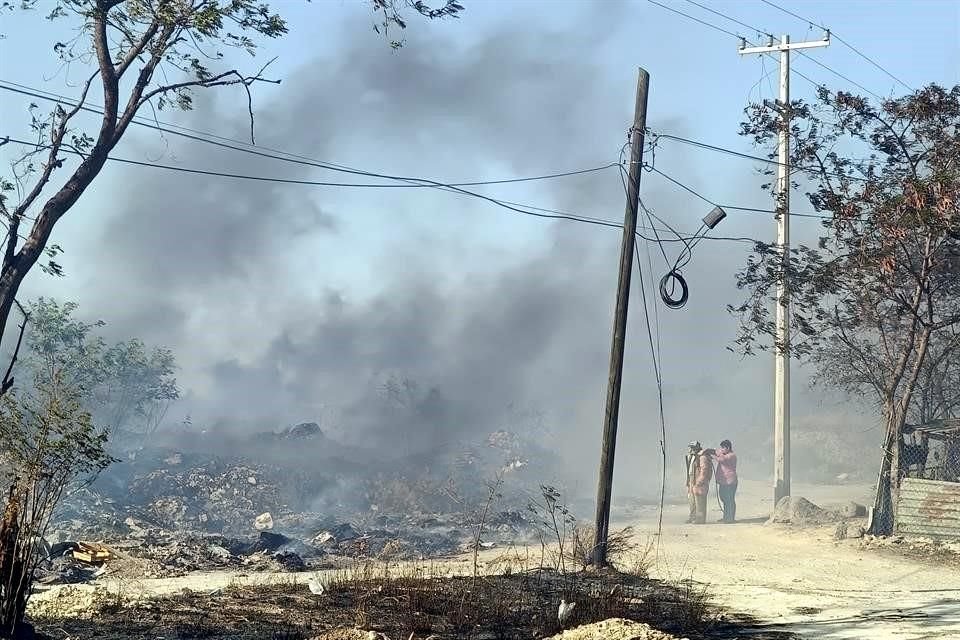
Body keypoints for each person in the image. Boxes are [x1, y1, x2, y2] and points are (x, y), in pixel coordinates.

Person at [714, 439, 738, 523]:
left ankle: (730, 518)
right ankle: (726, 517)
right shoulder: (724, 454)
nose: (722, 449)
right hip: (724, 482)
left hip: (730, 482)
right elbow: (720, 455)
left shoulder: (731, 455)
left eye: (723, 448)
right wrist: (716, 452)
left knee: (729, 500)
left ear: (728, 448)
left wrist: (714, 455)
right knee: (724, 499)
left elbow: (722, 460)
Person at [691, 444, 714, 524]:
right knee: (699, 502)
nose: (691, 450)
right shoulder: (702, 456)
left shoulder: (702, 457)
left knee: (700, 502)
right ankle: (700, 519)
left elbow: (704, 470)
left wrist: (699, 482)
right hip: (702, 483)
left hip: (701, 484)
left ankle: (700, 520)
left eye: (692, 448)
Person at [684, 441, 702, 523]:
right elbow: (688, 470)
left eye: (693, 448)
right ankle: (692, 517)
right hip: (691, 479)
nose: (691, 449)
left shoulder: (700, 457)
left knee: (697, 500)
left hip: (696, 480)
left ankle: (697, 518)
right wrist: (687, 481)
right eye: (691, 447)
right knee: (691, 500)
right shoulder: (689, 457)